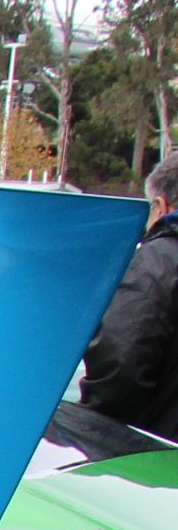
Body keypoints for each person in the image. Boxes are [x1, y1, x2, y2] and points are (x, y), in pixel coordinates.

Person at [79, 153, 178, 440]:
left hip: (156, 466)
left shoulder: (157, 262)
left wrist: (93, 433)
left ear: (159, 207)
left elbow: (120, 368)